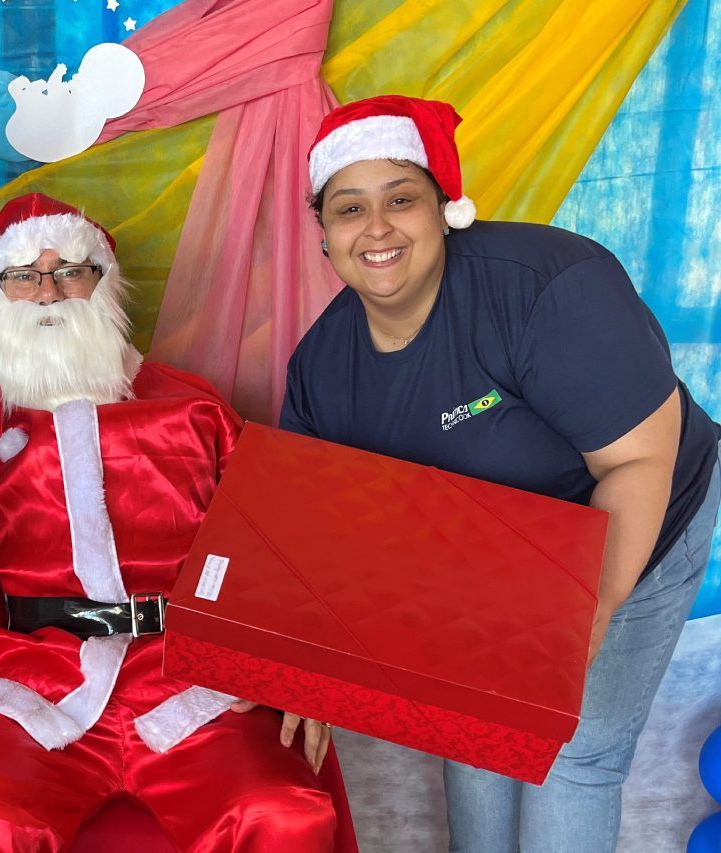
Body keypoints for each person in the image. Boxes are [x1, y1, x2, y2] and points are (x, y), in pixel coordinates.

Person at [281, 94, 721, 853]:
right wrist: (308, 664)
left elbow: (636, 458)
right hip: (488, 549)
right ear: (324, 235)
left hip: (635, 510)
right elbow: (315, 526)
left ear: (445, 209)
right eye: (350, 207)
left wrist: (587, 611)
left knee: (571, 751)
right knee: (478, 734)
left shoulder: (546, 286)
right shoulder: (323, 367)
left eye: (401, 198)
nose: (377, 227)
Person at [0, 193, 349, 851]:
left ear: (105, 284)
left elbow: (274, 556)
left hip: (189, 684)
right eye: (24, 275)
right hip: (35, 688)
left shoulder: (194, 411)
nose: (48, 291)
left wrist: (296, 664)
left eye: (71, 270)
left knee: (283, 813)